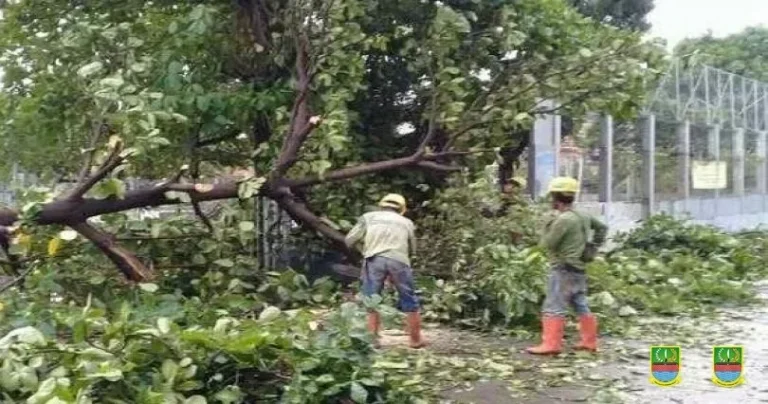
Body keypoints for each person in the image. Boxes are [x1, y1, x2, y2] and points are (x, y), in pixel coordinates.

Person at [526, 177, 607, 355]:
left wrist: (547, 224)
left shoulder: (564, 220)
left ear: (555, 197)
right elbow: (602, 228)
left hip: (563, 269)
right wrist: (593, 246)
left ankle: (551, 345)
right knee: (580, 303)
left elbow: (547, 244)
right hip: (579, 268)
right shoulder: (583, 215)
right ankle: (589, 342)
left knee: (553, 305)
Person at [345, 193, 426, 349]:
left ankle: (373, 340)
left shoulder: (368, 218)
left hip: (374, 259)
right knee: (409, 298)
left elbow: (349, 240)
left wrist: (365, 250)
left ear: (381, 205)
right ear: (402, 209)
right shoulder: (407, 223)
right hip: (399, 260)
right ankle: (415, 340)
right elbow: (412, 250)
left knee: (372, 299)